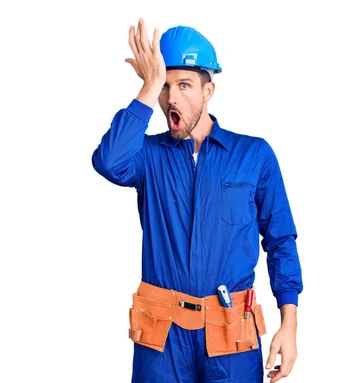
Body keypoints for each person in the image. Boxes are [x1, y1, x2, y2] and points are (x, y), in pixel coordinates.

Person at [91, 18, 303, 383]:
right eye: (165, 86)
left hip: (231, 337)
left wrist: (290, 324)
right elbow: (108, 162)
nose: (172, 98)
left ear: (209, 91)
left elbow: (280, 240)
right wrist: (148, 85)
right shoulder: (148, 156)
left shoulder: (253, 155)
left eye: (185, 85)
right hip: (162, 339)